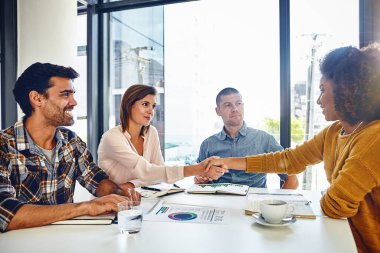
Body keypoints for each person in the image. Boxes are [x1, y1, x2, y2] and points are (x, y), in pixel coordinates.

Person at [207, 44, 380, 253]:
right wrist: (228, 162)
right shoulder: (334, 132)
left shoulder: (374, 137)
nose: (318, 100)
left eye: (323, 90)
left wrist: (329, 194)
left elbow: (335, 205)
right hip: (344, 238)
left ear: (346, 90)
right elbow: (289, 160)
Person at [0, 62, 140, 232]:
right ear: (37, 98)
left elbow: (95, 179)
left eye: (73, 94)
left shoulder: (71, 141)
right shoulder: (4, 146)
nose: (74, 102)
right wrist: (86, 207)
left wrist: (118, 192)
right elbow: (6, 215)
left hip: (65, 241)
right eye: (65, 95)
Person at [97, 84, 226, 188]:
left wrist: (131, 184)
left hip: (141, 199)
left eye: (153, 106)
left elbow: (158, 174)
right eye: (145, 104)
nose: (151, 111)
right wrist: (196, 169)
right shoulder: (112, 138)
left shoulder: (151, 132)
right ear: (128, 105)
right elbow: (147, 171)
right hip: (113, 205)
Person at [195, 87, 299, 189]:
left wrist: (277, 205)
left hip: (255, 204)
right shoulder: (207, 145)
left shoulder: (265, 140)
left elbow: (292, 179)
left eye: (238, 103)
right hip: (218, 203)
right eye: (228, 105)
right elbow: (199, 180)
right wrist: (201, 180)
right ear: (218, 111)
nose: (235, 109)